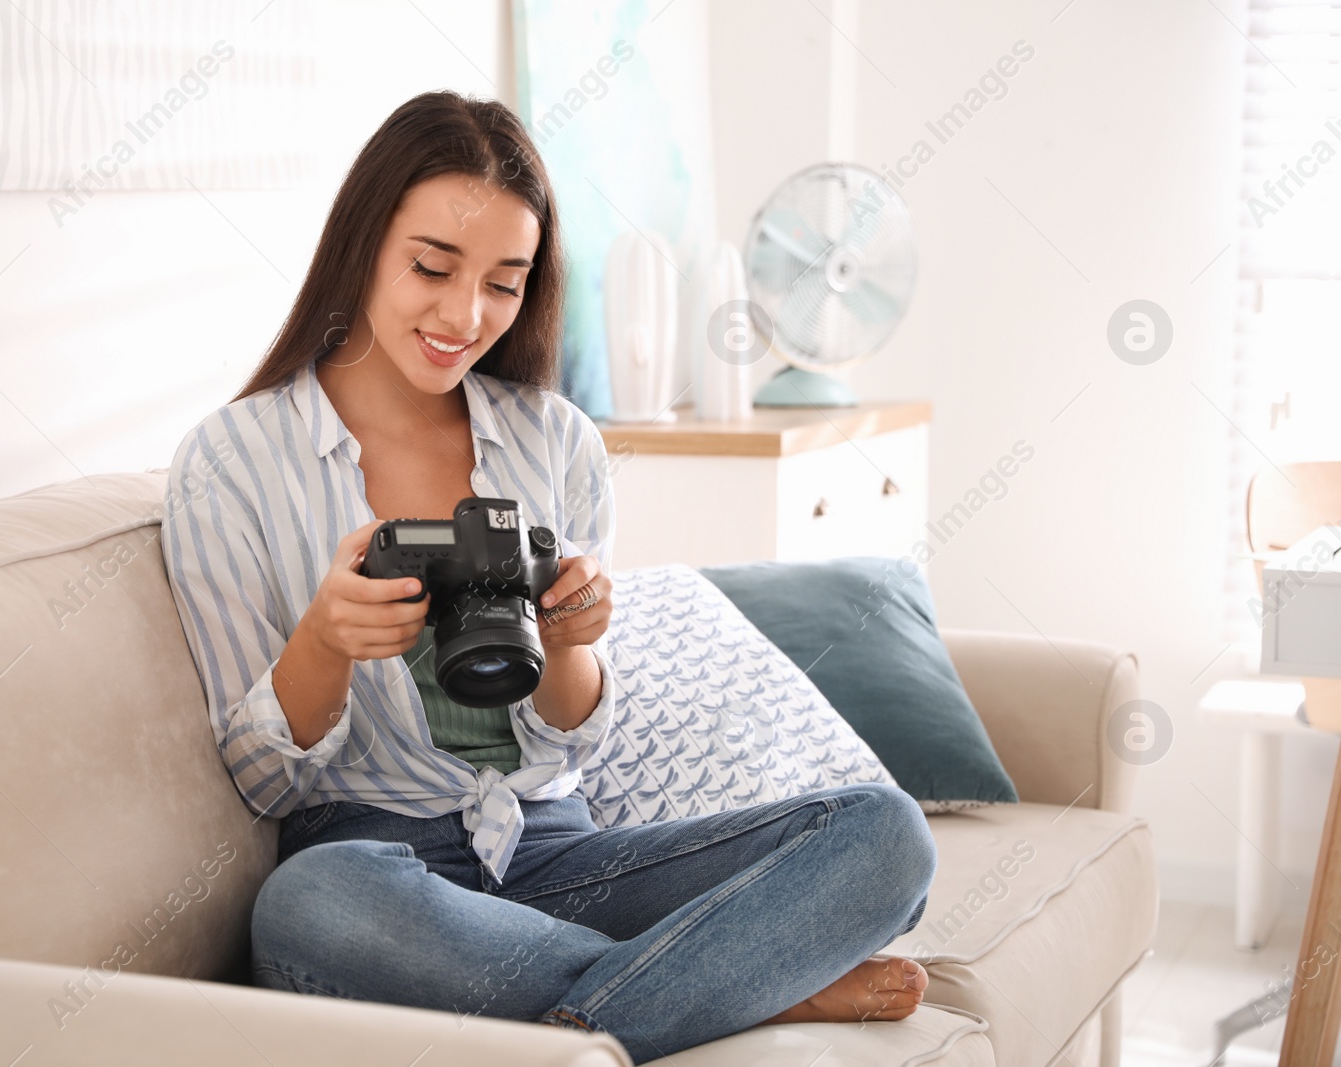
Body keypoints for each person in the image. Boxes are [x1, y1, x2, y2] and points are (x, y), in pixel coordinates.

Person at [159, 90, 936, 1064]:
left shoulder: (552, 438)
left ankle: (607, 1009)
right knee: (306, 905)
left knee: (884, 833)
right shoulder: (232, 461)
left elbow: (568, 733)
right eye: (432, 268)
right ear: (363, 246)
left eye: (503, 281)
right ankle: (733, 982)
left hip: (559, 851)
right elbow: (263, 779)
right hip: (380, 865)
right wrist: (323, 639)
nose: (464, 315)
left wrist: (573, 646)